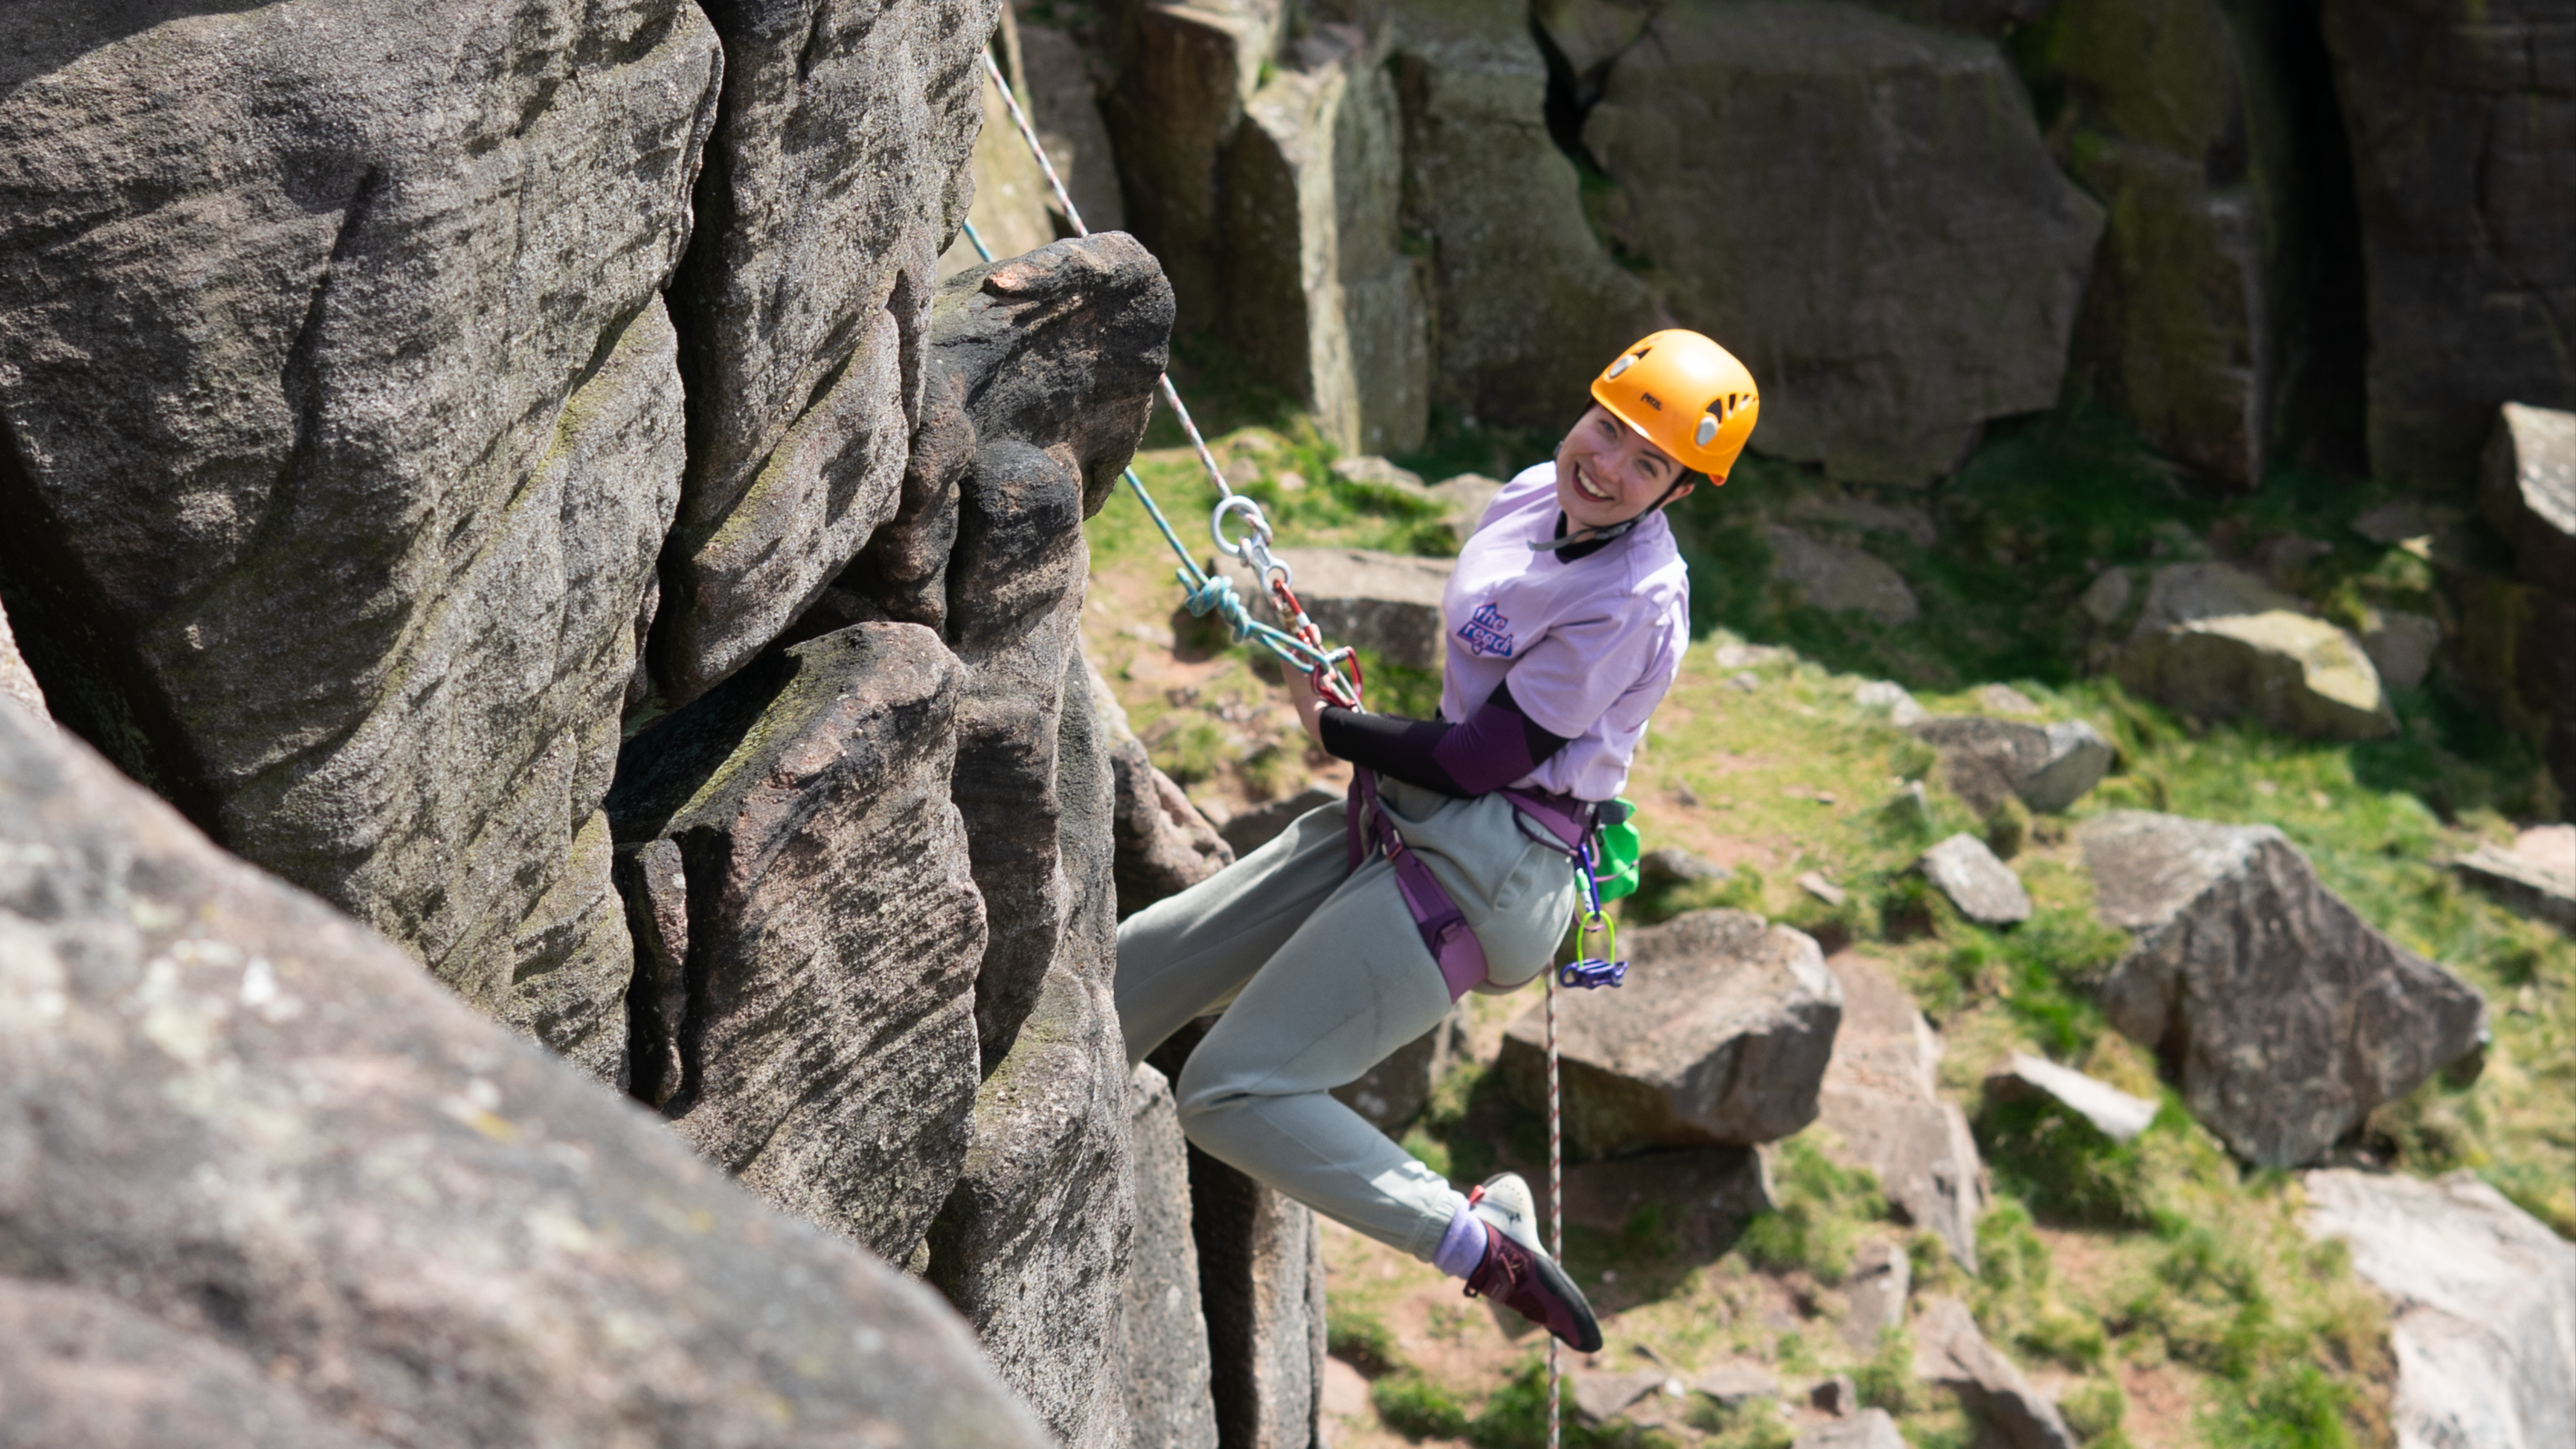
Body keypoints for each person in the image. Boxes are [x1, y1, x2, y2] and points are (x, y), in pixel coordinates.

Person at [1113, 330, 1760, 1353]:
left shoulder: (1635, 601)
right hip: (1413, 814)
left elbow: (1481, 759)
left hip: (1491, 866)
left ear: (1678, 492)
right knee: (1125, 973)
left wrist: (1330, 727)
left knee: (1230, 1090)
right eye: (1608, 428)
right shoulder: (1525, 498)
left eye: (1649, 463)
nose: (1607, 464)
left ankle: (1477, 1242)